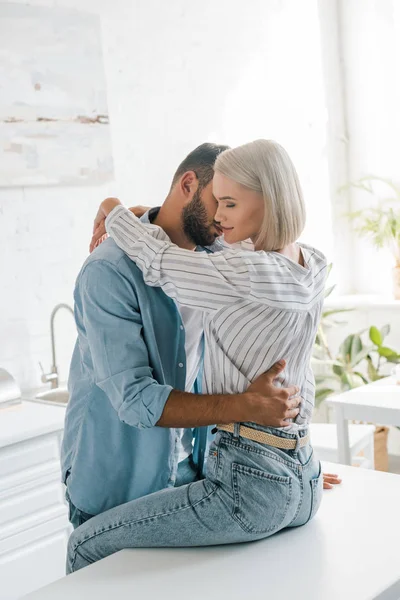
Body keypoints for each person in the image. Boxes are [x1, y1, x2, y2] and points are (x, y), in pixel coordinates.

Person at [67, 139, 336, 573]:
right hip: (122, 482)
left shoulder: (225, 257)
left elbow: (163, 255)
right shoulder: (110, 271)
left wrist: (284, 461)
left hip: (204, 471)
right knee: (89, 552)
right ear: (189, 184)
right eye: (219, 202)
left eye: (231, 204)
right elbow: (136, 399)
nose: (221, 218)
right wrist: (277, 445)